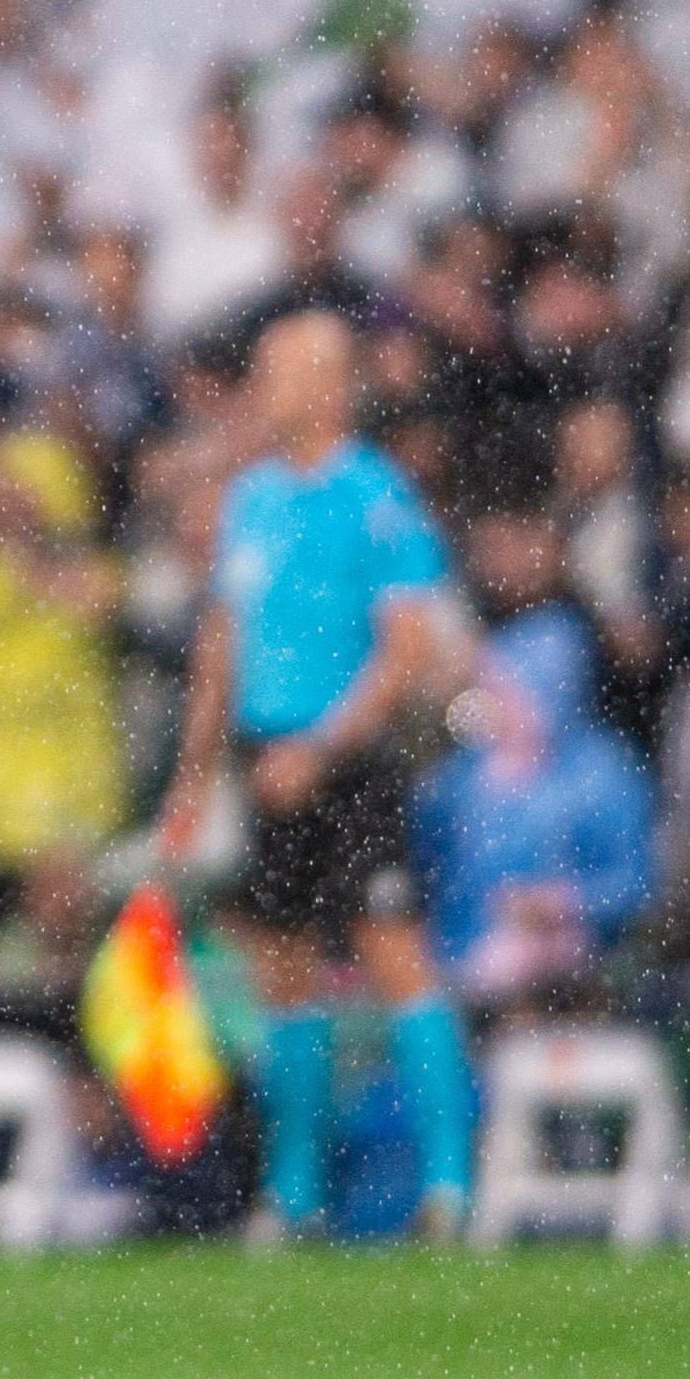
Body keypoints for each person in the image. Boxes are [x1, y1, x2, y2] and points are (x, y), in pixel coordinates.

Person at [159, 311, 475, 1241]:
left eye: (280, 371)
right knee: (283, 971)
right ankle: (295, 1195)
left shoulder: (378, 497)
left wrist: (323, 748)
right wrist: (193, 772)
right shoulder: (250, 498)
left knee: (394, 956)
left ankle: (450, 1187)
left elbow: (406, 649)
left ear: (332, 385)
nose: (265, 387)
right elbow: (222, 642)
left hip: (351, 762)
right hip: (266, 761)